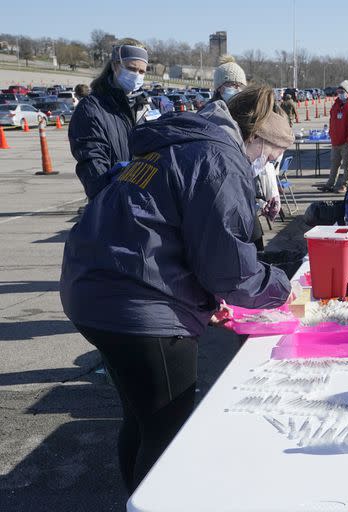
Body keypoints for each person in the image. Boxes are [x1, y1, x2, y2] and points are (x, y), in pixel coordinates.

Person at [59, 85, 294, 492]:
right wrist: (280, 286)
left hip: (91, 287)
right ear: (252, 136)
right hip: (136, 303)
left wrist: (208, 296)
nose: (267, 167)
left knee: (142, 416)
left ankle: (134, 497)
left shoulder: (182, 144)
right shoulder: (219, 159)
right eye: (269, 157)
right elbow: (231, 272)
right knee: (169, 429)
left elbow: (178, 236)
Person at [68, 39, 152, 200]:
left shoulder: (145, 105)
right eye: (131, 69)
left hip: (146, 200)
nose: (136, 75)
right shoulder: (91, 109)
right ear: (115, 65)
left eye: (142, 72)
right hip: (114, 203)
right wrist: (112, 200)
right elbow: (92, 163)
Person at [321, 80, 348, 194]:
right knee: (334, 165)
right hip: (336, 141)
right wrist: (331, 134)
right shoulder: (336, 105)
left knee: (347, 165)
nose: (340, 93)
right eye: (338, 91)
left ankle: (345, 185)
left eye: (342, 91)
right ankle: (330, 184)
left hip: (347, 143)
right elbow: (332, 120)